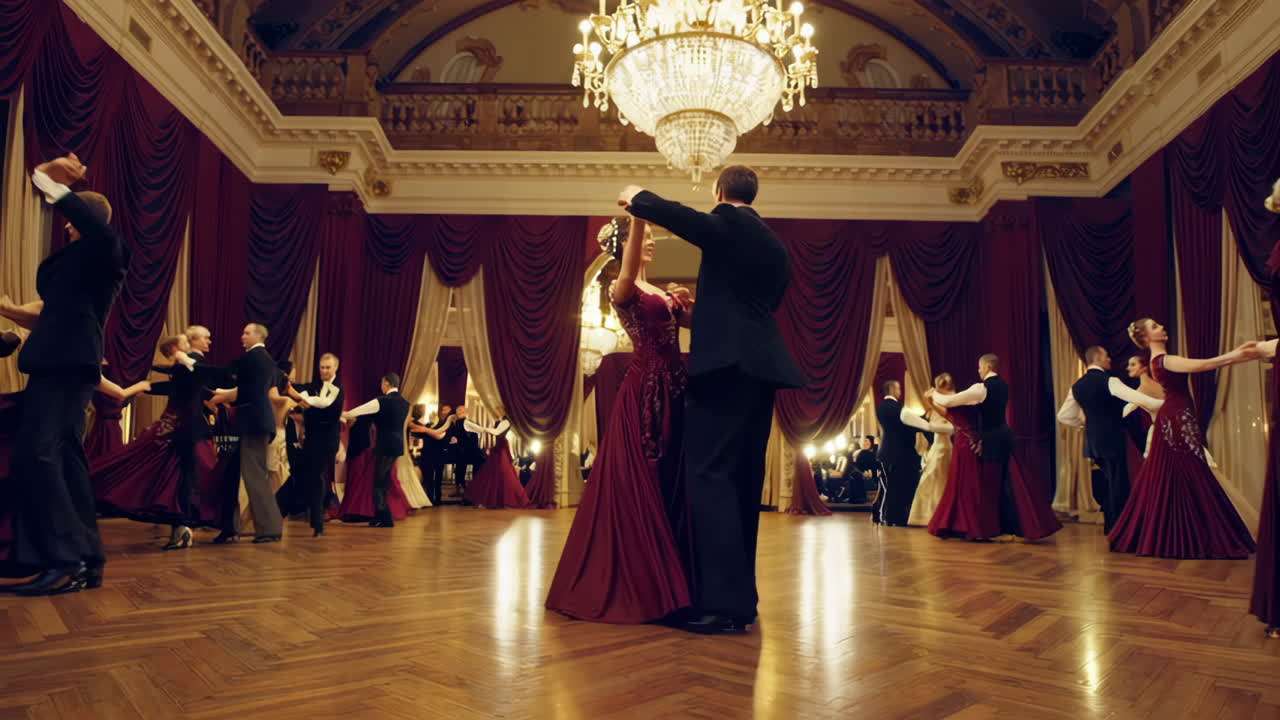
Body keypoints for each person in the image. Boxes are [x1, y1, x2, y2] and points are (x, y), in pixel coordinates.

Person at [617, 166, 806, 635]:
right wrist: (692, 317)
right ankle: (742, 599)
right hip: (758, 373)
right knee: (742, 483)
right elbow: (746, 312)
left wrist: (638, 197)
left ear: (722, 192)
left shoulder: (731, 223)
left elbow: (692, 221)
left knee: (711, 481)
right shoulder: (775, 247)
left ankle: (721, 607)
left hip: (724, 374)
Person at [547, 216, 694, 623]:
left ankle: (673, 581)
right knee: (645, 476)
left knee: (670, 478)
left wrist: (683, 305)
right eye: (644, 238)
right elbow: (629, 266)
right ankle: (649, 586)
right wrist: (639, 211)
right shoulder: (621, 286)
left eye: (650, 238)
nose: (651, 243)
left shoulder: (658, 290)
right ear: (625, 244)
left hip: (674, 388)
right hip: (646, 390)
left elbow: (686, 326)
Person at [0, 154, 130, 595]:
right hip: (57, 367)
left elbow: (92, 226)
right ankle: (86, 559)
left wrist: (51, 182)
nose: (65, 225)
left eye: (71, 218)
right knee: (67, 462)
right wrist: (9, 310)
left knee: (36, 455)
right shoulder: (76, 267)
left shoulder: (106, 252)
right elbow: (53, 312)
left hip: (66, 368)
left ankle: (64, 558)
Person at [1106, 319, 1256, 558]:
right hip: (1176, 420)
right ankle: (1197, 537)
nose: (1161, 327)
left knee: (1175, 474)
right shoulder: (1164, 360)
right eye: (1154, 327)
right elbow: (1205, 364)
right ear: (1146, 339)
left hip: (1177, 418)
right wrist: (1238, 354)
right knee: (1191, 471)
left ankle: (1179, 536)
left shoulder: (1160, 362)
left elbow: (1205, 365)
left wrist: (1238, 356)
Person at [91, 335, 219, 550]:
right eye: (186, 342)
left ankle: (181, 527)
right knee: (174, 477)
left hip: (176, 428)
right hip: (179, 428)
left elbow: (185, 388)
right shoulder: (185, 366)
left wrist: (148, 386)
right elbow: (185, 387)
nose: (195, 343)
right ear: (178, 347)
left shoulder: (184, 367)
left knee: (172, 477)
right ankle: (181, 526)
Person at [934, 354, 1061, 540]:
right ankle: (1008, 526)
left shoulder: (981, 388)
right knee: (1009, 485)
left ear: (986, 366)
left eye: (979, 367)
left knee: (987, 488)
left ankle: (988, 528)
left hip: (989, 441)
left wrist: (933, 393)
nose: (978, 370)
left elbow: (949, 402)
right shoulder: (1003, 385)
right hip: (1004, 437)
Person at [1055, 346, 1150, 533]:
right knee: (1119, 483)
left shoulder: (1078, 386)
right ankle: (1120, 529)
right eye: (1106, 356)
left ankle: (1111, 527)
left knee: (1107, 483)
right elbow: (1137, 399)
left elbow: (1063, 416)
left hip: (1093, 441)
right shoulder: (1110, 381)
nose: (1109, 359)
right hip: (1114, 438)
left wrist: (1085, 423)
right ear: (1098, 357)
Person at [208, 324, 284, 544]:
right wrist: (225, 394)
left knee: (255, 477)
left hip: (254, 424)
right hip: (253, 423)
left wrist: (190, 362)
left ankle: (269, 529)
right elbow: (247, 390)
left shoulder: (253, 357)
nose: (242, 336)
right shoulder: (263, 359)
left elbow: (222, 371)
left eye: (246, 333)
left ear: (258, 336)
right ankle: (230, 527)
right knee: (231, 474)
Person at [873, 379, 949, 526]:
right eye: (899, 388)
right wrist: (933, 435)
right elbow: (912, 425)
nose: (900, 391)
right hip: (901, 453)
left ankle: (889, 517)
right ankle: (897, 518)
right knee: (900, 486)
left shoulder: (881, 408)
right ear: (893, 389)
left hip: (886, 452)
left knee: (890, 487)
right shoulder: (898, 408)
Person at [285, 352, 343, 537]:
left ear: (335, 368)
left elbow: (328, 414)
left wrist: (306, 407)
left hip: (326, 441)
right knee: (307, 476)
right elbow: (302, 397)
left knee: (318, 478)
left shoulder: (339, 388)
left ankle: (318, 522)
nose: (324, 371)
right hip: (311, 439)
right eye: (322, 368)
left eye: (328, 368)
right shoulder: (315, 385)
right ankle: (311, 516)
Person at [342, 373, 412, 527]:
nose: (381, 386)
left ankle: (386, 519)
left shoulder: (382, 401)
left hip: (385, 445)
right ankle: (380, 517)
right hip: (398, 446)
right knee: (383, 482)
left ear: (386, 383)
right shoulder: (405, 403)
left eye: (382, 383)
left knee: (378, 483)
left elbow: (354, 412)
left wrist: (338, 414)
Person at [908, 374, 957, 527]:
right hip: (936, 446)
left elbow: (951, 429)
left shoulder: (949, 405)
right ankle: (929, 516)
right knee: (931, 479)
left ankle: (938, 515)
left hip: (944, 447)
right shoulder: (935, 405)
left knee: (939, 480)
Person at [463, 406, 529, 509]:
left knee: (504, 472)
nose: (498, 411)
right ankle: (490, 501)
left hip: (502, 448)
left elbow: (497, 432)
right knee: (491, 473)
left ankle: (509, 500)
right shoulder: (501, 420)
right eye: (497, 409)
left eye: (500, 409)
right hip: (497, 447)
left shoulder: (506, 421)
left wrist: (482, 429)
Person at [409, 407, 456, 506]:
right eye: (442, 410)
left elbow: (439, 436)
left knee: (438, 477)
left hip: (440, 453)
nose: (443, 412)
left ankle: (438, 499)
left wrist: (424, 430)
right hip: (428, 453)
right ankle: (429, 498)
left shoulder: (448, 426)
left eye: (446, 410)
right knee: (428, 478)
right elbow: (421, 434)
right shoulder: (429, 425)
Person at [446, 405, 486, 496]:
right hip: (462, 451)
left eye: (461, 410)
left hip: (470, 451)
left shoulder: (466, 422)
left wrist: (461, 440)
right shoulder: (457, 423)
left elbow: (480, 430)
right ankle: (462, 489)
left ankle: (472, 490)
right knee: (459, 468)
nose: (459, 411)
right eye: (458, 410)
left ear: (465, 412)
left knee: (469, 468)